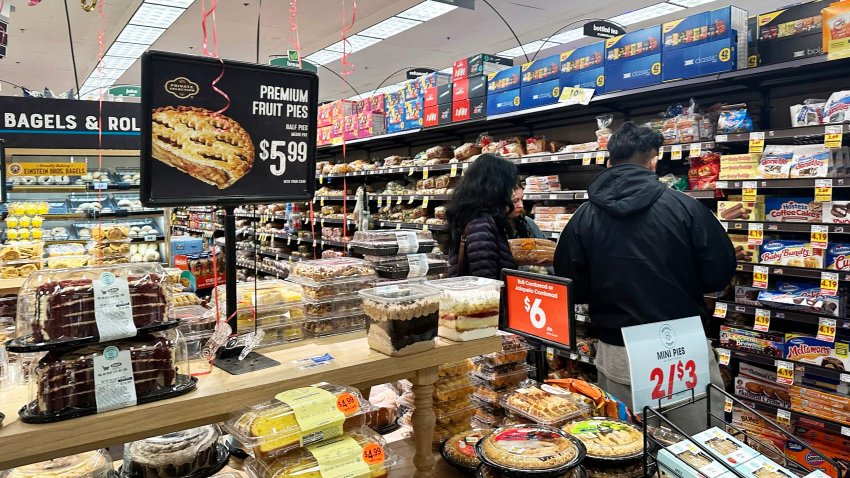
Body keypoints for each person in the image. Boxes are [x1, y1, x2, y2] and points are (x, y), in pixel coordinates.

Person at [553, 122, 735, 433]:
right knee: (698, 449)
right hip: (680, 348)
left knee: (623, 449)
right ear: (653, 160)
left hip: (618, 348)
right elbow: (718, 275)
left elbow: (571, 285)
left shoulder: (583, 217)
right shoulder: (686, 208)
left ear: (609, 162)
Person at [446, 154, 518, 279]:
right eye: (509, 186)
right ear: (497, 187)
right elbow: (485, 279)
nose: (511, 191)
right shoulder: (481, 224)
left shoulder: (471, 215)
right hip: (486, 296)